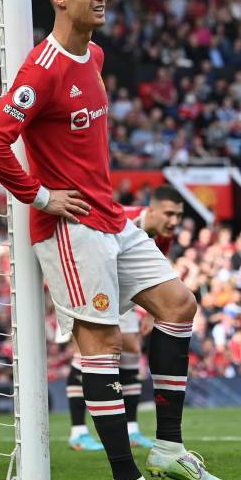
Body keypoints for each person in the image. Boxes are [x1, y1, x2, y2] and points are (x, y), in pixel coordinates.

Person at [0, 0, 225, 480]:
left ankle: (167, 447)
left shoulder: (96, 56)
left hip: (110, 215)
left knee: (179, 304)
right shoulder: (41, 71)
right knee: (103, 342)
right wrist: (39, 195)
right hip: (70, 227)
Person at [67, 185, 184, 452]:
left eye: (178, 215)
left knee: (131, 350)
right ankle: (78, 432)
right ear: (150, 210)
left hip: (122, 287)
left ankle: (131, 428)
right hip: (91, 281)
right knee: (87, 351)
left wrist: (152, 311)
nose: (174, 221)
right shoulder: (123, 218)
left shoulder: (164, 236)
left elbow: (151, 274)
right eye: (169, 214)